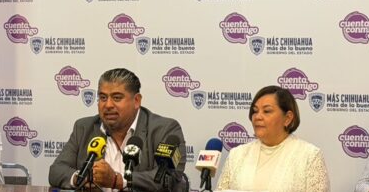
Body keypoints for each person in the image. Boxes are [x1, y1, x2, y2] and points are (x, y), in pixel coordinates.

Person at [49, 68, 186, 191]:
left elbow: (169, 177)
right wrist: (81, 177)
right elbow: (56, 171)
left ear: (136, 101)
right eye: (103, 98)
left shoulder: (165, 129)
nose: (108, 105)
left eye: (117, 98)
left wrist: (118, 180)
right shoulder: (84, 128)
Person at [217, 85, 330, 192]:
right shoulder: (237, 155)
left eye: (267, 111)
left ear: (288, 118)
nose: (258, 117)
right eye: (255, 111)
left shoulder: (310, 156)